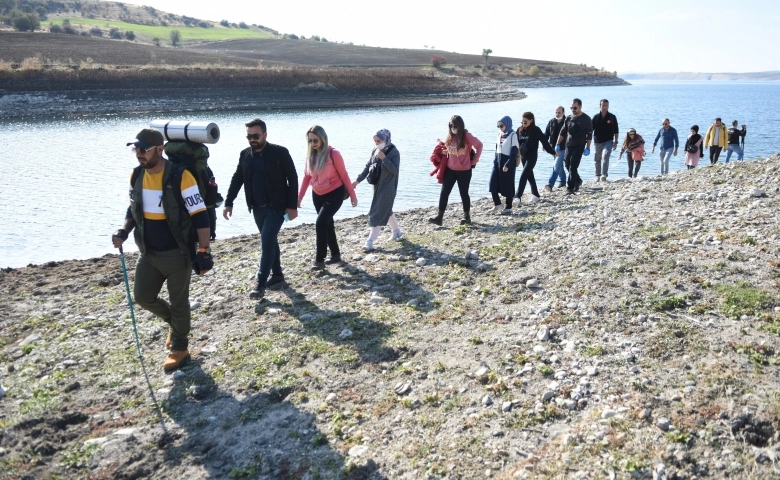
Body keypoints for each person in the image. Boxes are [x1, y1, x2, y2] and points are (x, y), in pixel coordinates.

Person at [112, 129, 213, 372]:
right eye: (136, 149)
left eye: (143, 149)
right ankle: (177, 327)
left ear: (159, 149)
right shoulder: (136, 175)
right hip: (148, 253)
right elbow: (132, 210)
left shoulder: (181, 176)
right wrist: (124, 231)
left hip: (177, 253)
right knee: (142, 297)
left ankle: (180, 349)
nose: (139, 154)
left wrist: (203, 250)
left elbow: (200, 216)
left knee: (179, 303)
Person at [223, 118, 299, 299]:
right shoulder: (245, 155)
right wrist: (229, 202)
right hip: (257, 208)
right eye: (249, 136)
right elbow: (237, 178)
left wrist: (292, 206)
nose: (252, 140)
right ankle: (278, 274)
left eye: (256, 136)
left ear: (265, 134)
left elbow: (293, 179)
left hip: (277, 207)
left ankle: (260, 284)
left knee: (266, 242)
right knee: (270, 241)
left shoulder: (280, 152)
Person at [298, 125, 357, 270]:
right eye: (310, 141)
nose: (313, 143)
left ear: (323, 138)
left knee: (320, 222)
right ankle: (335, 255)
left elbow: (344, 175)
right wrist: (299, 197)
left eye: (316, 140)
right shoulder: (310, 155)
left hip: (334, 193)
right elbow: (306, 177)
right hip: (317, 194)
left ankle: (319, 260)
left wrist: (352, 194)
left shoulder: (334, 154)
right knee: (327, 223)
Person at [352, 129, 402, 251]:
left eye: (379, 141)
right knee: (386, 209)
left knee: (379, 212)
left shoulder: (394, 152)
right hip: (377, 186)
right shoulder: (375, 150)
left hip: (388, 187)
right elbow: (367, 166)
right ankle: (397, 232)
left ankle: (369, 242)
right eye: (375, 141)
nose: (377, 143)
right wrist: (357, 181)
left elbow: (395, 170)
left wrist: (384, 158)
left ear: (386, 139)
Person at [428, 115, 483, 225]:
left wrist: (474, 161)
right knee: (444, 192)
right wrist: (446, 152)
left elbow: (479, 145)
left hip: (464, 171)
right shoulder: (449, 136)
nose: (453, 128)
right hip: (450, 169)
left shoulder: (467, 135)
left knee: (464, 193)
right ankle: (439, 217)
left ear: (460, 126)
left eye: (455, 126)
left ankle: (467, 217)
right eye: (451, 126)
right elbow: (450, 149)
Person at [513, 112, 556, 206]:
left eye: (525, 122)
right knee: (529, 176)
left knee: (524, 175)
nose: (523, 124)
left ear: (531, 120)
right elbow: (514, 143)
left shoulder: (536, 130)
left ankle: (517, 197)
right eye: (522, 122)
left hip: (532, 157)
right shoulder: (519, 130)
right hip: (523, 156)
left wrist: (553, 152)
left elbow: (545, 142)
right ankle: (536, 194)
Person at [556, 98, 592, 195]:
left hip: (579, 146)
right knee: (567, 165)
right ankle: (578, 180)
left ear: (580, 106)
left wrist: (588, 147)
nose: (573, 109)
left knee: (573, 167)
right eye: (571, 108)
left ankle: (570, 188)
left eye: (575, 107)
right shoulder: (568, 118)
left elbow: (589, 134)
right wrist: (558, 144)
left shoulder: (586, 119)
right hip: (568, 145)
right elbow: (562, 132)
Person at [488, 116, 518, 214]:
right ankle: (497, 204)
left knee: (508, 184)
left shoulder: (513, 135)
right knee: (492, 183)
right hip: (497, 160)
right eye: (498, 126)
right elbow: (496, 148)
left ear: (507, 124)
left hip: (508, 161)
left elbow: (514, 151)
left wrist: (508, 164)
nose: (500, 127)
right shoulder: (499, 134)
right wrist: (494, 161)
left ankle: (508, 207)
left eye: (501, 125)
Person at [591, 99, 619, 182]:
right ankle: (597, 175)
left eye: (606, 105)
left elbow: (616, 130)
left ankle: (604, 174)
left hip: (609, 140)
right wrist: (587, 141)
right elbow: (590, 130)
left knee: (606, 155)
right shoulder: (596, 117)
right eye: (603, 105)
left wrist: (616, 141)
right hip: (597, 141)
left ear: (608, 106)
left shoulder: (612, 117)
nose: (604, 107)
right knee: (597, 158)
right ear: (600, 106)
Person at [544, 106, 567, 192]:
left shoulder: (567, 121)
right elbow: (546, 134)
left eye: (559, 113)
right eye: (556, 112)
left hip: (564, 147)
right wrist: (544, 144)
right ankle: (563, 182)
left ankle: (550, 184)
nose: (557, 114)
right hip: (554, 148)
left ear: (563, 113)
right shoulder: (551, 122)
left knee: (556, 165)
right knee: (560, 166)